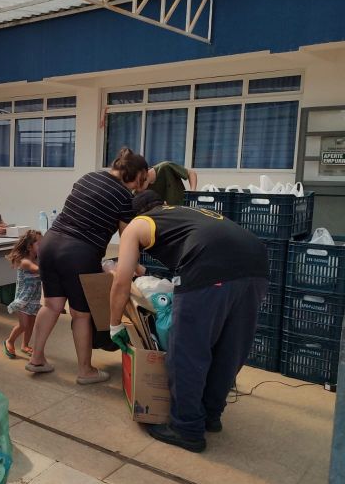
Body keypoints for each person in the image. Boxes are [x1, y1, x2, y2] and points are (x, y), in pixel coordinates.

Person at [110, 190, 268, 453]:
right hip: (256, 265)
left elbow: (121, 279)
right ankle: (211, 416)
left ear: (135, 215)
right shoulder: (184, 214)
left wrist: (114, 323)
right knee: (229, 349)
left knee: (187, 351)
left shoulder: (137, 224)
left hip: (209, 267)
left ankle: (187, 429)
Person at [25, 147, 149, 383]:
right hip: (79, 252)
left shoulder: (87, 177)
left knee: (51, 304)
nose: (137, 186)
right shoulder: (124, 198)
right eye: (139, 181)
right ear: (133, 175)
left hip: (50, 243)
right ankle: (85, 371)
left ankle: (37, 358)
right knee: (81, 314)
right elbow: (128, 239)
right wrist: (135, 268)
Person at [3, 230, 42, 359]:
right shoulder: (25, 262)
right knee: (23, 325)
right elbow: (38, 270)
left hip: (34, 298)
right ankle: (10, 341)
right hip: (23, 299)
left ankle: (25, 345)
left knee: (31, 325)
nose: (42, 245)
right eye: (39, 243)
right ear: (30, 247)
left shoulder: (38, 259)